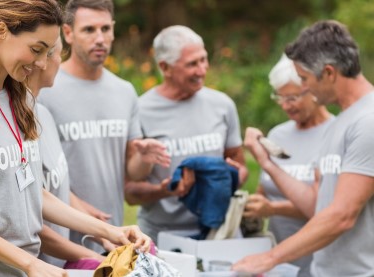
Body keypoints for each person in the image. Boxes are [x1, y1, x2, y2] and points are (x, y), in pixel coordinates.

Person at [0, 1, 151, 276]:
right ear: (1, 31)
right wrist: (31, 263)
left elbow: (33, 193)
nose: (42, 63)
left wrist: (112, 231)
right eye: (36, 49)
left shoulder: (18, 99)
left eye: (47, 52)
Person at [233, 20, 374, 277]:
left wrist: (270, 258)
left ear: (329, 73)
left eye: (305, 79)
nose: (304, 87)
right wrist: (267, 164)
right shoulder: (340, 122)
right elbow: (317, 206)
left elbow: (342, 215)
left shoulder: (368, 121)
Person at [39, 0, 170, 252]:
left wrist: (143, 157)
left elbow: (134, 174)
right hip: (58, 242)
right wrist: (82, 216)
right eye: (89, 30)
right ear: (68, 33)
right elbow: (39, 176)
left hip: (114, 239)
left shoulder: (125, 91)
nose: (99, 38)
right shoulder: (46, 88)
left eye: (105, 29)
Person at [124, 25, 248, 243]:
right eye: (192, 64)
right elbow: (130, 192)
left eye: (203, 59)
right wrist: (165, 191)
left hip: (218, 233)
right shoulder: (140, 110)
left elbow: (241, 167)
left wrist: (230, 176)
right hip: (161, 237)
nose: (202, 70)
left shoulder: (222, 105)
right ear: (165, 67)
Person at [242, 54, 334, 276]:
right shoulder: (278, 134)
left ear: (311, 89)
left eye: (292, 98)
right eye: (280, 98)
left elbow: (327, 208)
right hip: (279, 260)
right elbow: (266, 189)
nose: (285, 105)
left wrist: (273, 209)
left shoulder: (334, 133)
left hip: (320, 260)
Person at [28, 37, 106, 268]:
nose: (60, 64)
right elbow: (33, 223)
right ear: (42, 59)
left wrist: (105, 233)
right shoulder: (17, 125)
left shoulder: (43, 114)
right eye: (60, 55)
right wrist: (97, 258)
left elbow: (55, 185)